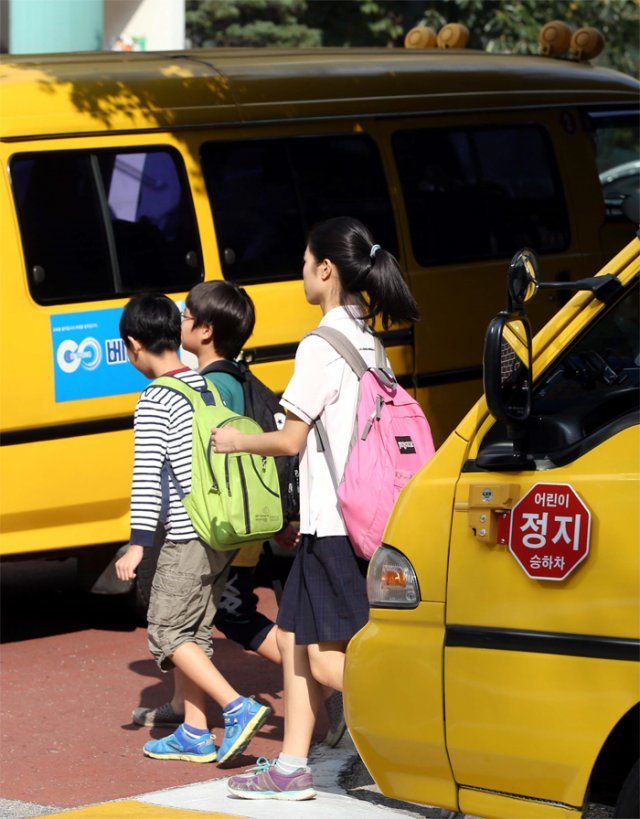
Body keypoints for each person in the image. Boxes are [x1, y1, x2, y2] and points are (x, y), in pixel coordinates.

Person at [211, 216, 420, 800]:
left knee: (329, 663)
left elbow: (291, 439)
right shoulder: (368, 341)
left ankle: (429, 715)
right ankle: (292, 764)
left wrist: (235, 439)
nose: (301, 272)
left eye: (304, 262)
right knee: (296, 638)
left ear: (325, 269)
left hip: (333, 524)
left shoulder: (320, 344)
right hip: (354, 517)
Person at [132, 280, 346, 748]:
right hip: (249, 523)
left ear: (205, 331)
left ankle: (334, 693)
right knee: (202, 621)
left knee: (226, 619)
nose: (180, 321)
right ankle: (188, 717)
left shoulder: (212, 388)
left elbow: (225, 467)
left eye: (187, 315)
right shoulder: (236, 378)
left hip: (228, 527)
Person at [115, 293, 271, 766]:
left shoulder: (155, 398)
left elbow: (149, 478)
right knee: (195, 631)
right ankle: (195, 733)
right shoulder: (200, 387)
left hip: (186, 533)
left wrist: (139, 544)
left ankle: (237, 707)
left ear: (134, 344)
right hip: (220, 532)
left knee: (166, 631)